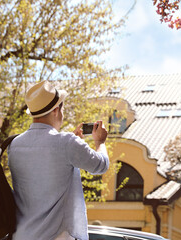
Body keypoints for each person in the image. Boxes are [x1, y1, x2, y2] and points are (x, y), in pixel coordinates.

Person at [8, 81, 109, 240]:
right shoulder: (66, 142)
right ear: (56, 110)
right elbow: (100, 165)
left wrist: (72, 145)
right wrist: (100, 142)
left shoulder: (14, 145)